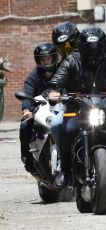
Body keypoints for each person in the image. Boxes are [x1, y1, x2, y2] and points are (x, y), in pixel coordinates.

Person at [49, 26, 106, 188]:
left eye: (97, 51)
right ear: (82, 48)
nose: (93, 55)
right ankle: (66, 171)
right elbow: (58, 80)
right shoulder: (72, 60)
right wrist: (54, 91)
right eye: (89, 51)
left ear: (103, 47)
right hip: (76, 109)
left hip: (104, 109)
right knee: (67, 130)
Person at [19, 42, 58, 173]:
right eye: (43, 59)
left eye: (48, 58)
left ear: (53, 57)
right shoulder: (34, 76)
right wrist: (26, 109)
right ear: (38, 60)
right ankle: (27, 158)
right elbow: (27, 93)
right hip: (40, 110)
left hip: (62, 108)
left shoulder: (62, 71)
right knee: (25, 125)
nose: (46, 61)